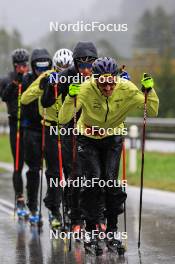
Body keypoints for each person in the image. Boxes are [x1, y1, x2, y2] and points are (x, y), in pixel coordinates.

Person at [58, 57, 159, 253]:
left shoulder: (126, 88)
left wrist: (149, 91)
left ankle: (112, 231)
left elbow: (152, 110)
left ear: (116, 79)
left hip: (112, 137)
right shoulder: (86, 88)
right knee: (94, 182)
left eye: (111, 82)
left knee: (111, 183)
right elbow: (63, 118)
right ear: (95, 80)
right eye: (102, 83)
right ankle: (91, 231)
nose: (107, 88)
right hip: (87, 137)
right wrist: (71, 98)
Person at [41, 41, 98, 233]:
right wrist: (50, 86)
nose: (86, 70)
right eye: (81, 65)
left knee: (94, 174)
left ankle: (94, 215)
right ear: (75, 63)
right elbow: (47, 102)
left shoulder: (99, 74)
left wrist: (122, 78)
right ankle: (72, 214)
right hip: (70, 130)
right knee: (73, 175)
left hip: (91, 130)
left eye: (90, 65)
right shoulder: (66, 76)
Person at [21, 48, 73, 229]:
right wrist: (42, 86)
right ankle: (54, 210)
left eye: (67, 68)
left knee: (71, 171)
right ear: (54, 66)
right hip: (50, 129)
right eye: (60, 68)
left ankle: (71, 211)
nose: (63, 72)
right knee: (54, 173)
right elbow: (25, 99)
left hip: (69, 129)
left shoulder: (76, 76)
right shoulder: (48, 75)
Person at [22, 48, 52, 224]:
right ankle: (32, 206)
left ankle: (53, 207)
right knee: (33, 170)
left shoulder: (52, 78)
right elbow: (25, 104)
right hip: (32, 129)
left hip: (48, 129)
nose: (42, 72)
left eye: (45, 68)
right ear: (33, 68)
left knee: (52, 171)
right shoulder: (27, 80)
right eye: (38, 68)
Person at [1, 48, 29, 217]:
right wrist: (14, 83)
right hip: (14, 123)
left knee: (33, 165)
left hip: (30, 124)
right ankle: (19, 198)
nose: (21, 68)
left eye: (24, 65)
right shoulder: (7, 79)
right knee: (18, 164)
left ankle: (33, 199)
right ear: (14, 65)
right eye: (18, 65)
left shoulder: (30, 78)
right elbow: (4, 97)